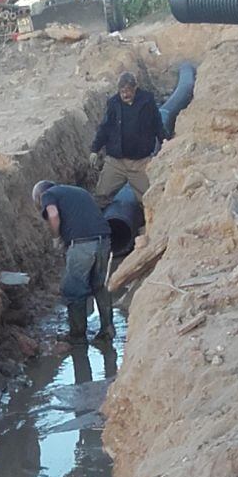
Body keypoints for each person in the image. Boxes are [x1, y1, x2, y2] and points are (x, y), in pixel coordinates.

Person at [32, 180, 114, 341]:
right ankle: (108, 329)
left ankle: (77, 336)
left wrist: (56, 237)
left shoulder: (48, 195)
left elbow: (53, 214)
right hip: (104, 241)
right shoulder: (77, 192)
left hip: (82, 245)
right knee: (99, 286)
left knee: (74, 289)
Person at [92, 71, 162, 201]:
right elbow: (105, 127)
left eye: (128, 90)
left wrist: (165, 141)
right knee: (100, 197)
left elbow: (157, 123)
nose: (125, 94)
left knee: (150, 200)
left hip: (140, 162)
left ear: (136, 87)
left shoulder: (147, 101)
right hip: (116, 162)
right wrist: (95, 149)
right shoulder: (113, 103)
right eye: (122, 91)